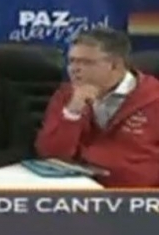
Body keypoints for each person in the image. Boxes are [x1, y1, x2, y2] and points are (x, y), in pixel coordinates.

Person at [36, 27, 159, 187]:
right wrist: (73, 112)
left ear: (115, 65)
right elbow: (50, 154)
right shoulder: (66, 95)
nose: (74, 69)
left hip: (138, 195)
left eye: (86, 62)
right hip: (78, 190)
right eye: (72, 61)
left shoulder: (153, 97)